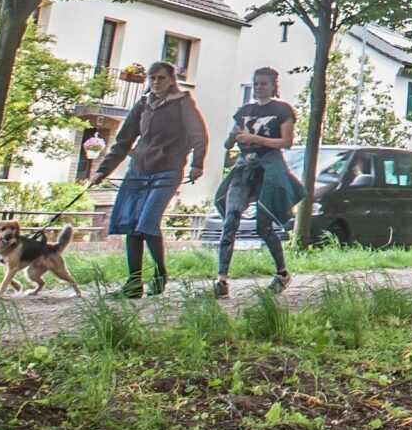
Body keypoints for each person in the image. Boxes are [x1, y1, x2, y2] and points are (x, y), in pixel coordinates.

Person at [89, 61, 207, 297]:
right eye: (152, 78)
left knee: (147, 221)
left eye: (161, 78)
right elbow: (123, 140)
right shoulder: (143, 104)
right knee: (131, 225)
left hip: (168, 170)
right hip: (138, 171)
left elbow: (199, 136)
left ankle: (160, 272)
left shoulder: (183, 104)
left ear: (172, 80)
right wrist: (103, 170)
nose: (156, 82)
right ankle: (133, 285)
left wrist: (197, 164)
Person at [212, 66, 301, 297]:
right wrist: (233, 138)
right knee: (231, 217)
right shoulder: (244, 111)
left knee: (263, 225)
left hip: (269, 169)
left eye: (263, 83)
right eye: (256, 83)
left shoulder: (282, 110)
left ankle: (282, 272)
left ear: (273, 85)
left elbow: (286, 141)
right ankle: (221, 278)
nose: (259, 87)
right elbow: (227, 145)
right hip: (244, 168)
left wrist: (255, 138)